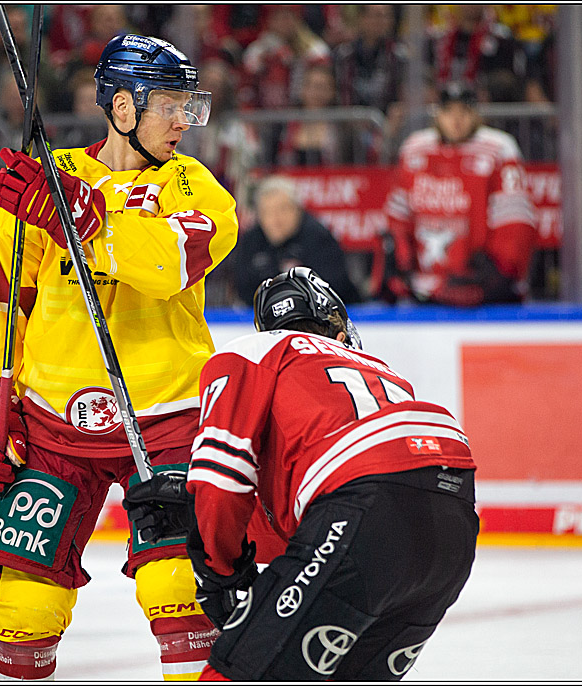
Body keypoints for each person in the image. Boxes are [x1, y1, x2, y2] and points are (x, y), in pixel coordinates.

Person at [0, 33, 238, 680]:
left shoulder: (194, 185)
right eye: (170, 104)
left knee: (181, 592)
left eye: (187, 104)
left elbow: (172, 261)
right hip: (54, 417)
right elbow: (1, 300)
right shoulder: (46, 183)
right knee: (24, 608)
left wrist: (89, 223)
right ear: (122, 108)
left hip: (166, 416)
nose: (184, 121)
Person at [124, 266, 479, 680]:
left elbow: (221, 477)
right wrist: (200, 509)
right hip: (452, 523)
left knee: (235, 673)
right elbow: (323, 523)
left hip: (363, 501)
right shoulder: (385, 373)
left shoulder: (252, 352)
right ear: (340, 331)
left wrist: (217, 567)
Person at [383, 82, 537, 306]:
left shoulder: (499, 149)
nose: (456, 120)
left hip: (481, 291)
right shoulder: (414, 148)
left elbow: (515, 219)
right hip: (424, 287)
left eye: (463, 112)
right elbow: (397, 218)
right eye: (448, 112)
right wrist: (400, 264)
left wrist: (498, 271)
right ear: (437, 114)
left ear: (475, 114)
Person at [232, 175, 360, 307]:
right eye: (267, 212)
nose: (275, 220)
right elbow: (244, 289)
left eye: (282, 210)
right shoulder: (251, 241)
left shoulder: (319, 238)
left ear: (297, 209)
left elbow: (333, 288)